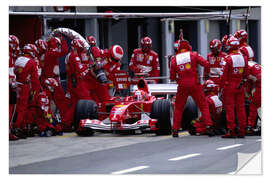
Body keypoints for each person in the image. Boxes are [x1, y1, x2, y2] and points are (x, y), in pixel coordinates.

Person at [169, 33, 214, 138]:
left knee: (178, 108)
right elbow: (206, 64)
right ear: (188, 47)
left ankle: (175, 130)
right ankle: (209, 127)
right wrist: (206, 75)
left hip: (182, 86)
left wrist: (178, 79)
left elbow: (171, 76)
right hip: (195, 84)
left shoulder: (174, 59)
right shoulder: (193, 55)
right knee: (203, 105)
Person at [220, 36, 249, 138]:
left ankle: (231, 130)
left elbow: (223, 75)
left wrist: (221, 87)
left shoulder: (227, 58)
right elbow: (246, 74)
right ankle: (242, 130)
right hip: (240, 86)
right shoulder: (244, 58)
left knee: (230, 108)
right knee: (241, 109)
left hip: (229, 86)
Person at [13, 44, 41, 139]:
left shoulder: (17, 59)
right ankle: (18, 128)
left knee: (14, 108)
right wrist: (36, 91)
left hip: (15, 85)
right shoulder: (31, 62)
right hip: (24, 87)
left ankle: (13, 126)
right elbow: (35, 79)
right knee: (22, 109)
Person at [9, 35, 20, 140]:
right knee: (9, 109)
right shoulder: (8, 56)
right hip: (8, 86)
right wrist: (13, 85)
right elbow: (10, 73)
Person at [245, 61, 261, 135]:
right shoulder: (253, 63)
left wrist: (248, 93)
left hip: (260, 85)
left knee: (254, 106)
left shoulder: (246, 67)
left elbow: (249, 82)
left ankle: (250, 127)